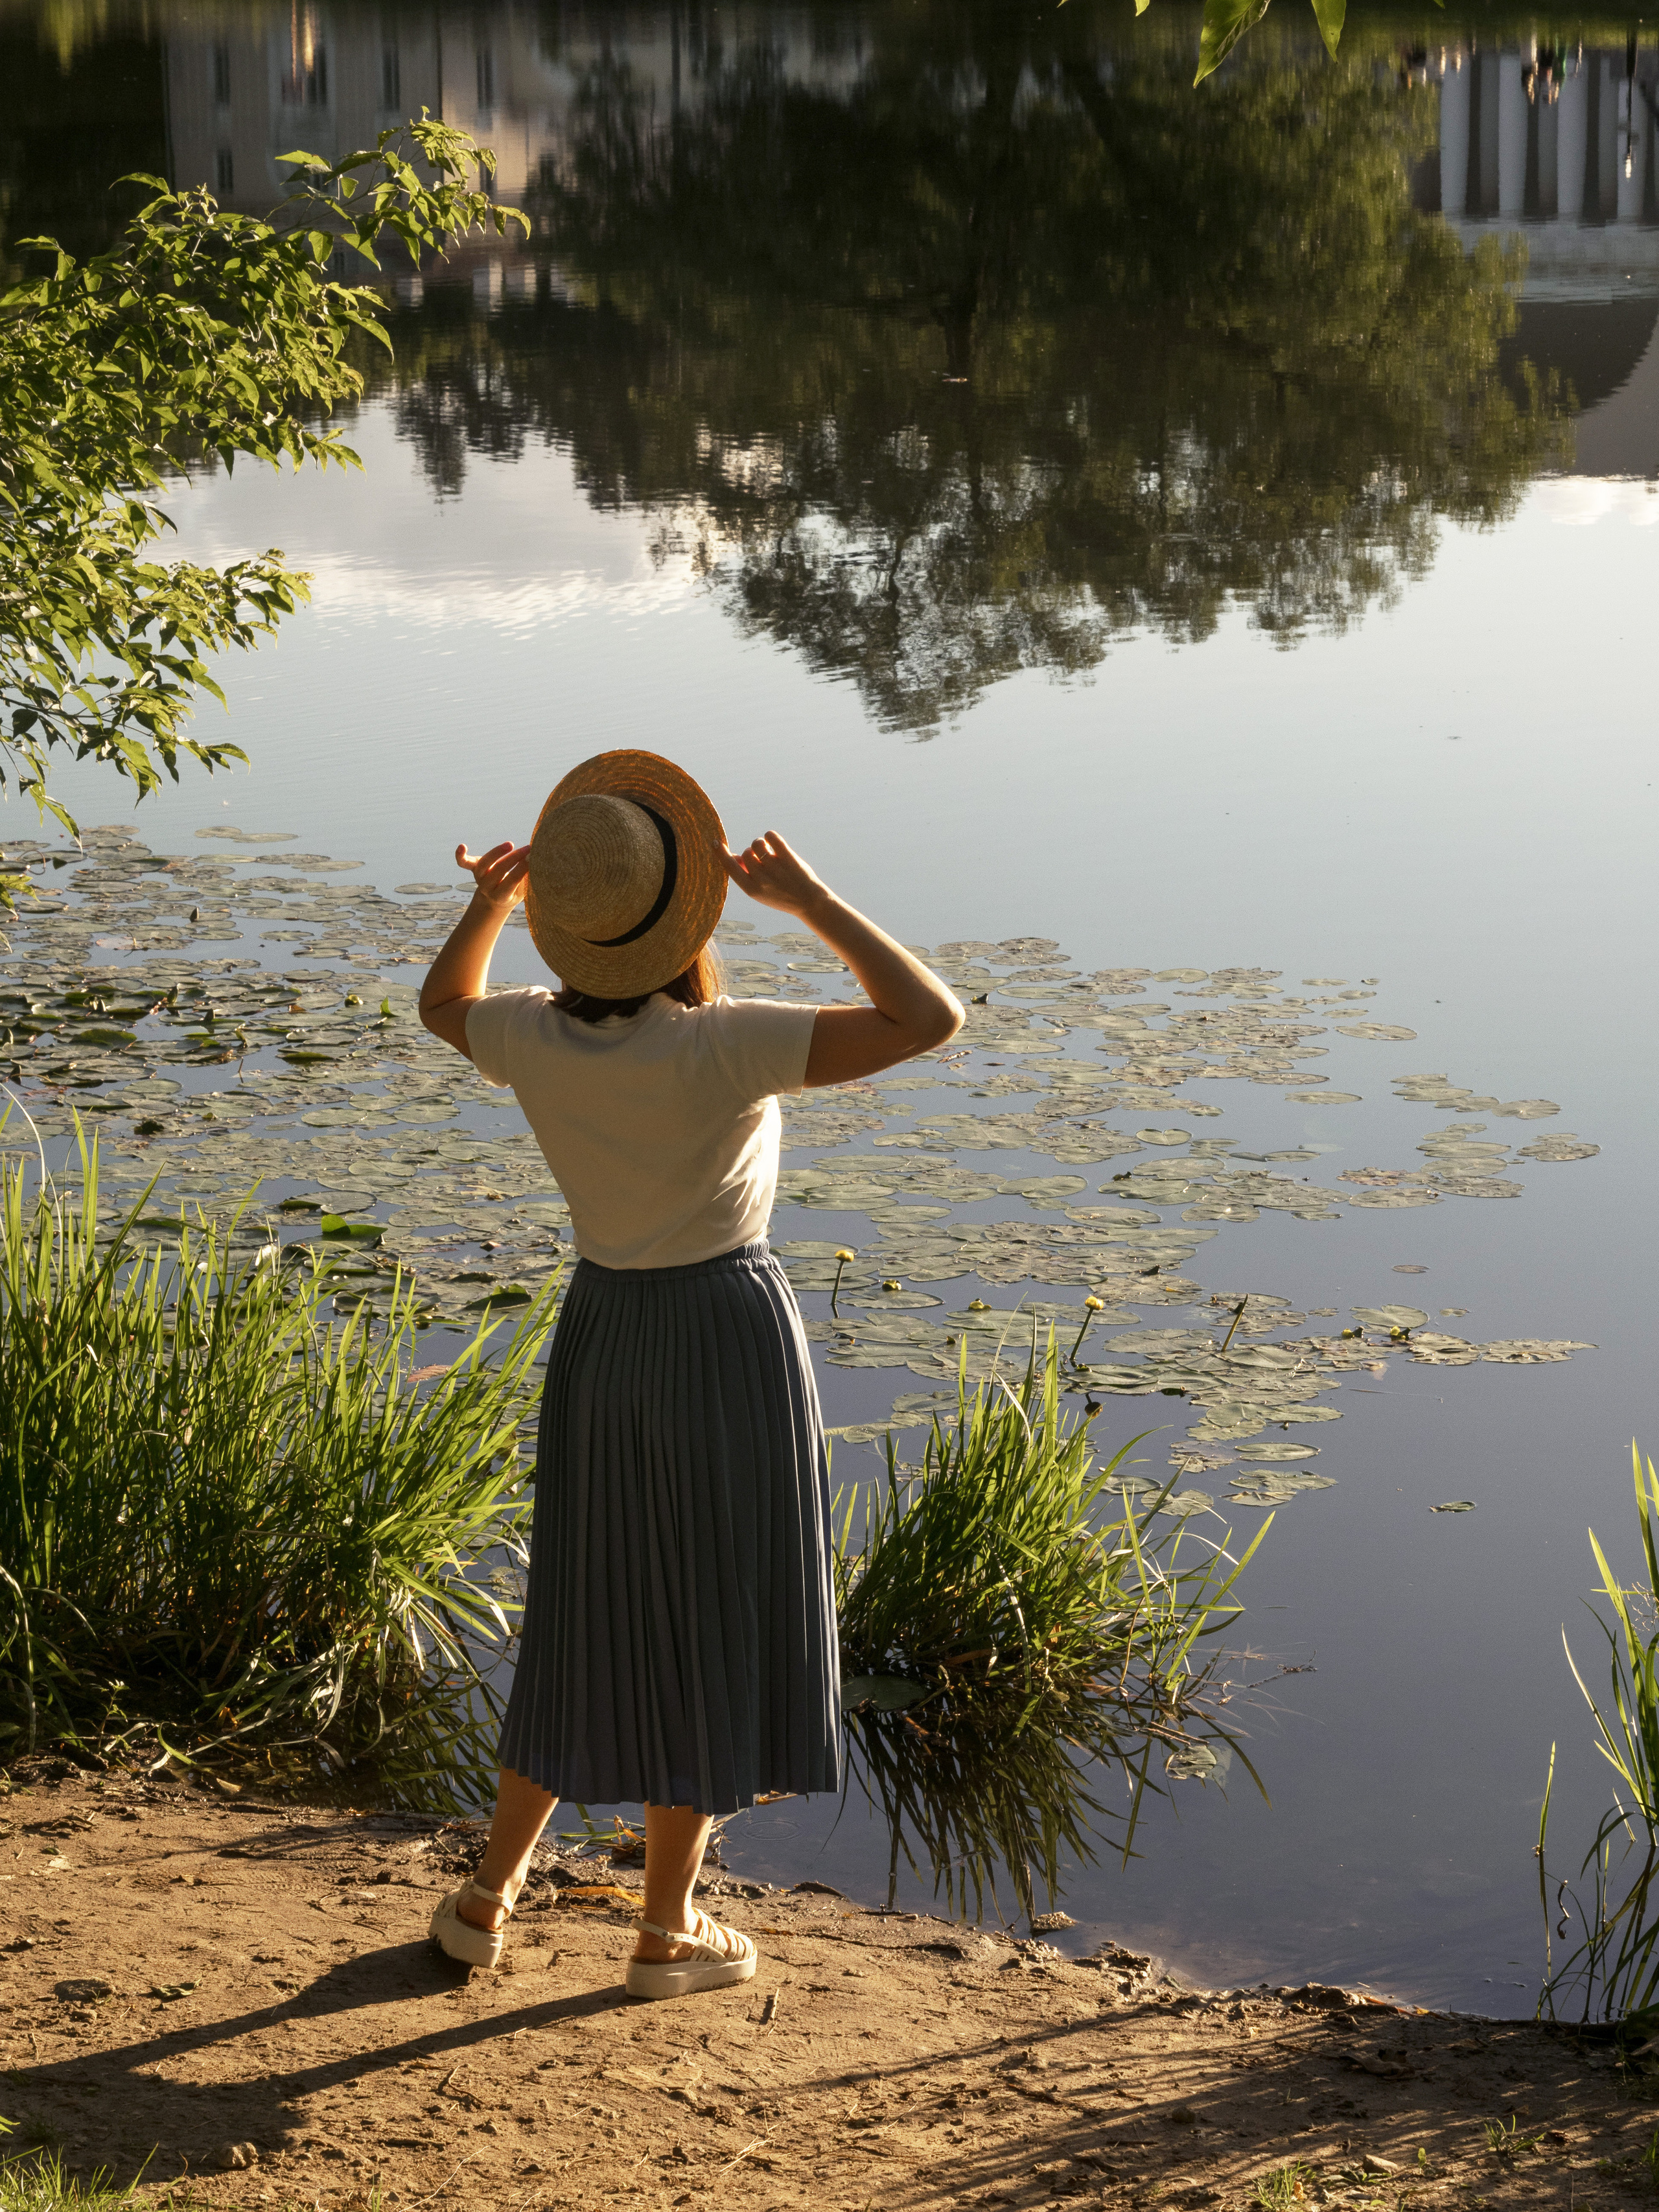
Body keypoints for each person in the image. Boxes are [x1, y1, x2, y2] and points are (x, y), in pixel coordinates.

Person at [417, 749, 962, 1999]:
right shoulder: (728, 1047)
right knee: (711, 1614)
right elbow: (933, 1020)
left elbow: (443, 1006)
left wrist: (490, 906)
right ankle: (665, 1928)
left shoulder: (529, 1036)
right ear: (689, 914)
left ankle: (483, 1900)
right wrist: (815, 902)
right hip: (725, 1336)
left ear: (570, 927)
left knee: (589, 1611)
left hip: (604, 1333)